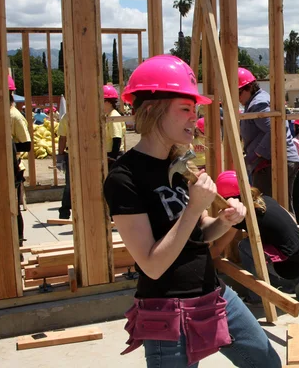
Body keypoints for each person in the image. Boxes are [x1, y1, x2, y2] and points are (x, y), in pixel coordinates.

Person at [103, 55, 280, 368]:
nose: (193, 118)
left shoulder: (180, 164)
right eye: (185, 109)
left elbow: (200, 234)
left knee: (266, 362)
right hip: (166, 312)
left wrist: (224, 222)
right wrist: (194, 208)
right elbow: (152, 265)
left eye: (194, 109)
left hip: (213, 295)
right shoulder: (124, 177)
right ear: (152, 110)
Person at [210, 170, 299, 304]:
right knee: (258, 245)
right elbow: (293, 220)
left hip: (288, 267)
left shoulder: (242, 214)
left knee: (245, 246)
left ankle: (259, 295)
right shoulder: (266, 199)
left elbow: (218, 248)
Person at [237, 67, 299, 212]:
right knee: (281, 207)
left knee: (270, 208)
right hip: (275, 161)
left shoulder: (257, 103)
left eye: (239, 93)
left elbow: (276, 129)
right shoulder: (256, 101)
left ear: (250, 87)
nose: (238, 98)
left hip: (272, 163)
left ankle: (283, 234)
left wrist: (256, 154)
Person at [9, 75, 32, 249]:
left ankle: (18, 244)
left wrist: (6, 148)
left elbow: (26, 145)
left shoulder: (14, 116)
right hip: (1, 169)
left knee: (13, 209)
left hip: (13, 168)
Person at [102, 84, 126, 169]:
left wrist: (112, 158)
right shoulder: (109, 116)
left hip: (114, 155)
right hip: (110, 155)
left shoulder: (113, 117)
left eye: (101, 100)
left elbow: (117, 140)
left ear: (108, 102)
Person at [56, 112, 71, 219]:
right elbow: (62, 137)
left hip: (71, 154)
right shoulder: (93, 112)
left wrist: (60, 156)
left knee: (70, 185)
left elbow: (62, 138)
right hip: (73, 154)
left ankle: (64, 212)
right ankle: (64, 212)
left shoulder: (67, 116)